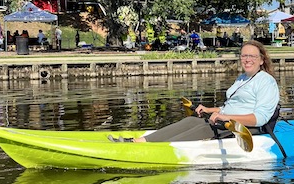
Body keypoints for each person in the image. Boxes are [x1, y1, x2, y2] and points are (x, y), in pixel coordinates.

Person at [114, 41, 280, 143]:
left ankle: (156, 149)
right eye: (244, 56)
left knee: (202, 129)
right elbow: (231, 106)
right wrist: (209, 110)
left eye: (252, 56)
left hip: (242, 128)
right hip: (223, 120)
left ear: (261, 60)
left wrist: (225, 117)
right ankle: (140, 141)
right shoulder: (242, 78)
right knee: (191, 122)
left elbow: (260, 118)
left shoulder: (266, 82)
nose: (247, 59)